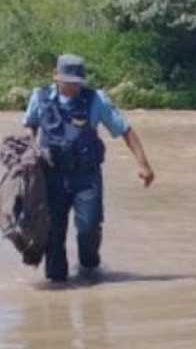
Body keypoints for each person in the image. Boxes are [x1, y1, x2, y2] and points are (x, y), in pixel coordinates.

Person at [23, 54, 155, 282]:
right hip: (51, 176)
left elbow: (125, 130)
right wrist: (30, 152)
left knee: (89, 228)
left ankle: (89, 269)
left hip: (86, 177)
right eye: (68, 82)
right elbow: (30, 127)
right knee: (53, 235)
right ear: (56, 77)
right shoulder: (39, 97)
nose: (73, 87)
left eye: (77, 83)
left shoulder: (96, 100)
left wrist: (143, 165)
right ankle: (57, 287)